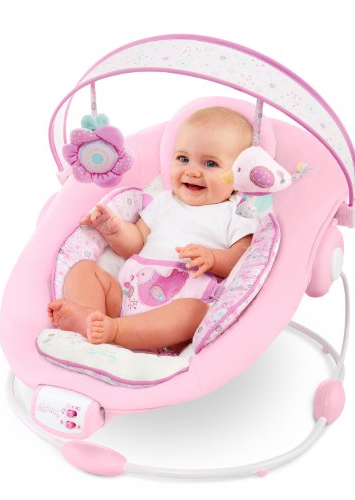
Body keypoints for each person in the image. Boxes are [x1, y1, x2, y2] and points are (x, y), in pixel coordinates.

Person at [48, 106, 258, 352]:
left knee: (194, 312)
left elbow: (243, 261)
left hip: (175, 307)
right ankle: (91, 319)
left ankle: (115, 332)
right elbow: (136, 242)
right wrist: (113, 229)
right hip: (127, 296)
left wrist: (213, 258)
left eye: (210, 163)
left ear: (238, 173)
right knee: (83, 270)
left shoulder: (237, 213)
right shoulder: (164, 202)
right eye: (183, 159)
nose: (192, 171)